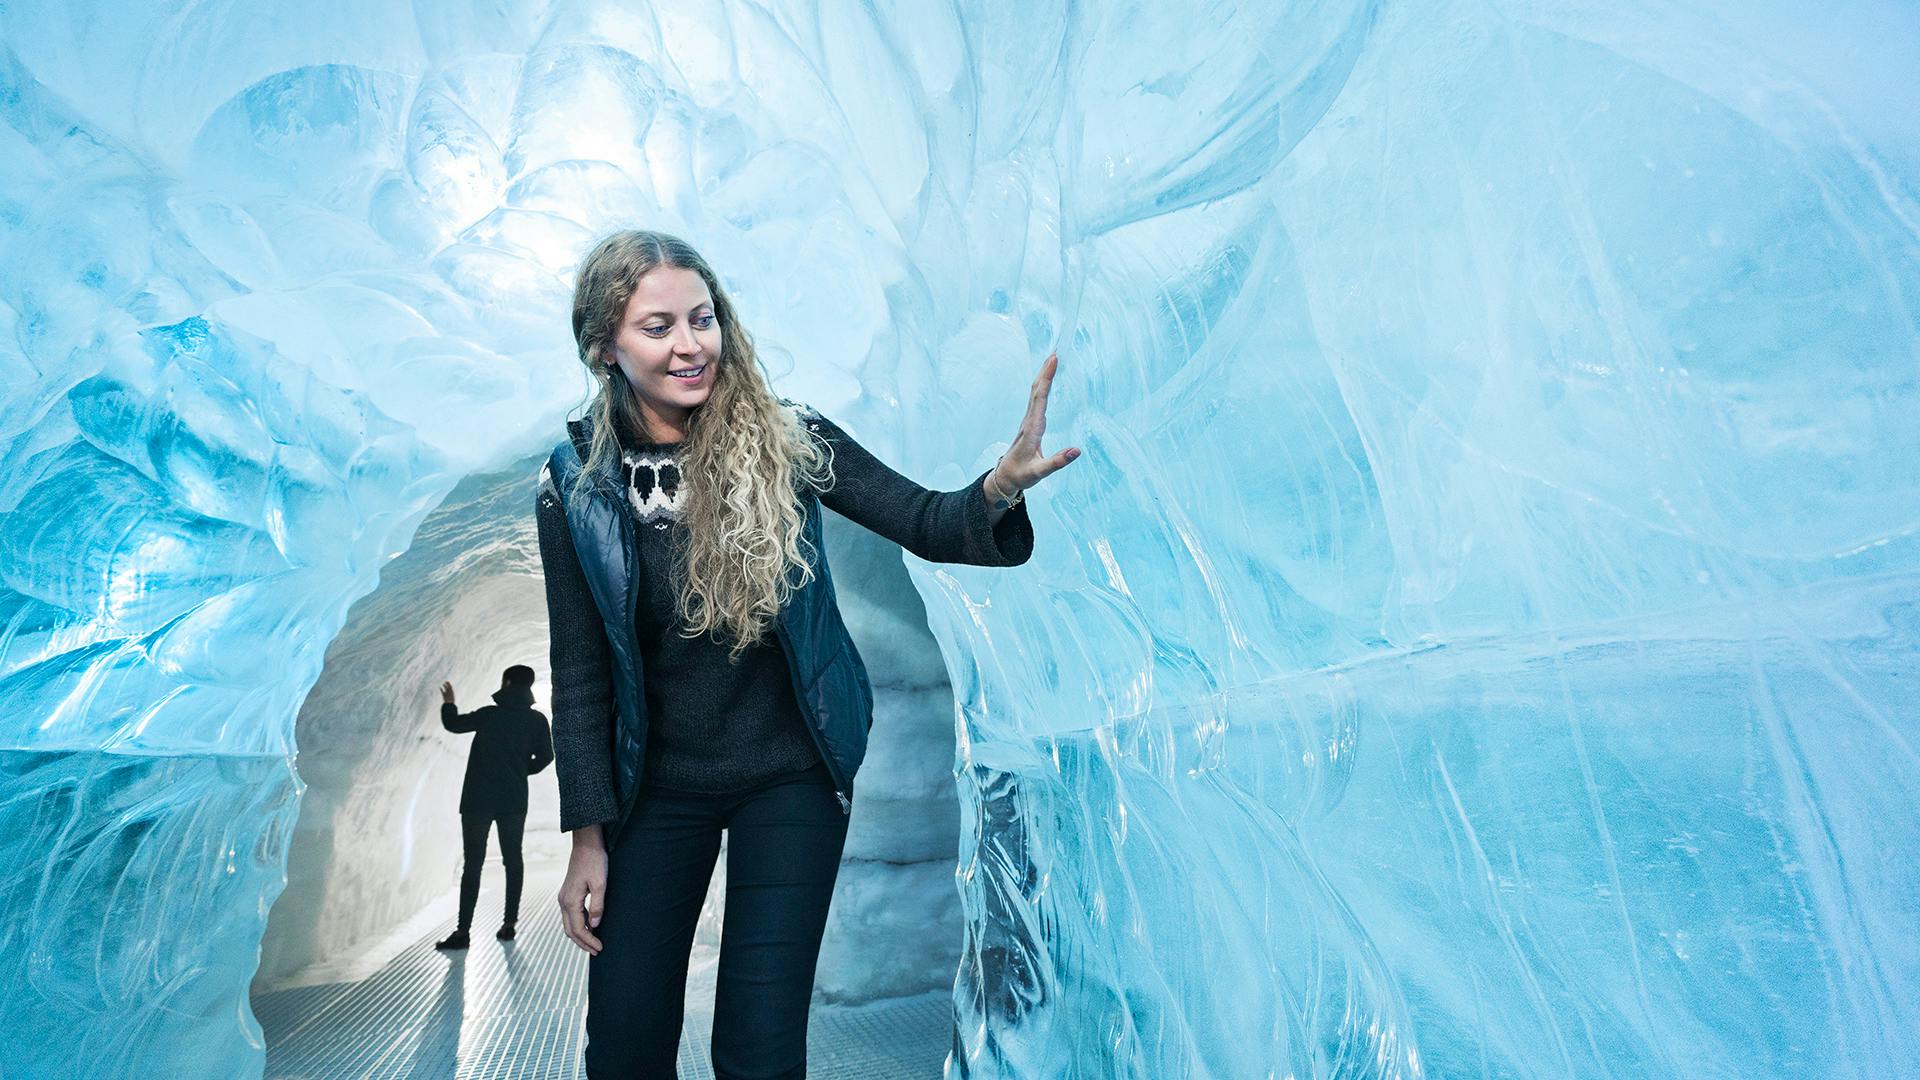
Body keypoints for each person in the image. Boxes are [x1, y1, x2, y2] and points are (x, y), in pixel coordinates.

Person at [535, 229, 1079, 1079]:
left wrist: (998, 487)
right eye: (658, 326)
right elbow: (579, 677)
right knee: (625, 1045)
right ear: (606, 346)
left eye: (703, 318)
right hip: (656, 790)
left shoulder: (789, 440)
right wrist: (587, 839)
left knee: (757, 1049)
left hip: (790, 777)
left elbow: (927, 522)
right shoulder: (573, 482)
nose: (690, 344)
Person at [433, 664, 555, 950]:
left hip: (478, 799)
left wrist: (449, 704)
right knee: (513, 861)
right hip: (513, 800)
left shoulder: (490, 715)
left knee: (473, 864)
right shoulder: (537, 720)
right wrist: (522, 770)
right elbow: (547, 756)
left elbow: (454, 725)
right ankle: (509, 926)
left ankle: (462, 932)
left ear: (508, 682)